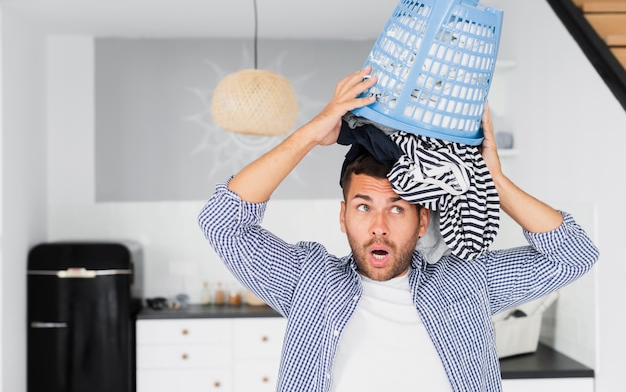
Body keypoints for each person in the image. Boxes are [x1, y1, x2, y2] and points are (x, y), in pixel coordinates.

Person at [198, 66, 599, 391]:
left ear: (422, 219)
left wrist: (491, 179)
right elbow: (223, 221)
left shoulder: (467, 281)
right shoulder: (308, 280)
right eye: (363, 206)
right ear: (343, 217)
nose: (378, 226)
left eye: (397, 209)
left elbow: (573, 254)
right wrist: (311, 132)